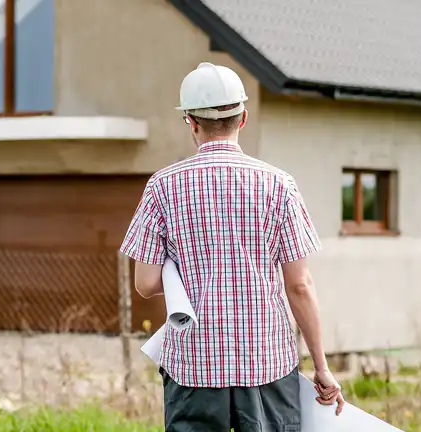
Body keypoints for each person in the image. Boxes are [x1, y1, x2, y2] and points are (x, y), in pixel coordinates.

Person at [120, 62, 344, 431]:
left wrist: (188, 269)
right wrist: (321, 366)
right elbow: (299, 286)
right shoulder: (279, 185)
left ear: (191, 121)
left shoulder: (162, 186)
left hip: (193, 365)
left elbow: (144, 283)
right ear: (243, 118)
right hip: (267, 362)